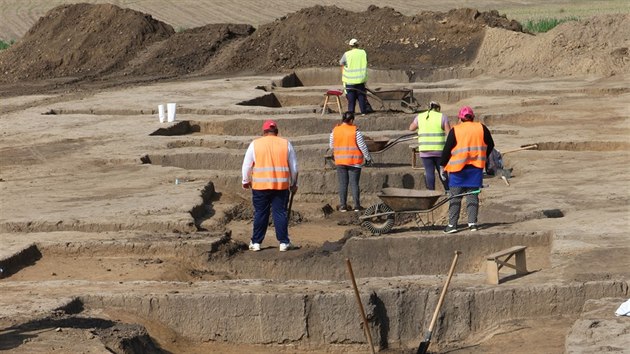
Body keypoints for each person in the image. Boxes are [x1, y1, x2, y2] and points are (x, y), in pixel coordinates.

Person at [242, 120, 298, 251]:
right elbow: (294, 167)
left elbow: (246, 165)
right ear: (276, 132)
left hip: (260, 186)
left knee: (260, 213)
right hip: (280, 185)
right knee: (280, 213)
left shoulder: (255, 144)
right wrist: (294, 183)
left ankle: (256, 242)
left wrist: (245, 180)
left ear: (264, 132)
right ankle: (284, 242)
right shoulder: (286, 144)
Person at [440, 106, 494, 234]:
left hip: (457, 169)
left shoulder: (455, 130)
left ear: (460, 118)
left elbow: (447, 149)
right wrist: (484, 157)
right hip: (475, 169)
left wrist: (442, 165)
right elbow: (490, 144)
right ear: (473, 117)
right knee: (472, 196)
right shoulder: (481, 128)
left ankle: (452, 225)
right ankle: (472, 224)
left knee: (455, 197)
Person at [330, 111, 372, 212]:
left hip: (340, 161)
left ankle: (343, 206)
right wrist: (368, 158)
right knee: (354, 184)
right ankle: (357, 206)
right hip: (354, 162)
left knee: (343, 184)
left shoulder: (335, 131)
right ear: (352, 120)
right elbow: (362, 146)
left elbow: (331, 145)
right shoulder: (355, 131)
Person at [408, 101, 451, 191]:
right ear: (438, 108)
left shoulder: (420, 117)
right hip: (439, 150)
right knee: (442, 171)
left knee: (429, 172)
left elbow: (411, 128)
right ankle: (448, 190)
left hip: (425, 150)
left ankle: (431, 192)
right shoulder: (442, 117)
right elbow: (449, 134)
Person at [340, 38, 369, 115]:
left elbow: (341, 63)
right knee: (361, 96)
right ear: (358, 45)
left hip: (350, 80)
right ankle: (363, 112)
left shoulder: (347, 54)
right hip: (361, 79)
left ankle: (351, 113)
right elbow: (366, 61)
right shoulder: (363, 53)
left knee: (351, 98)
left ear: (350, 46)